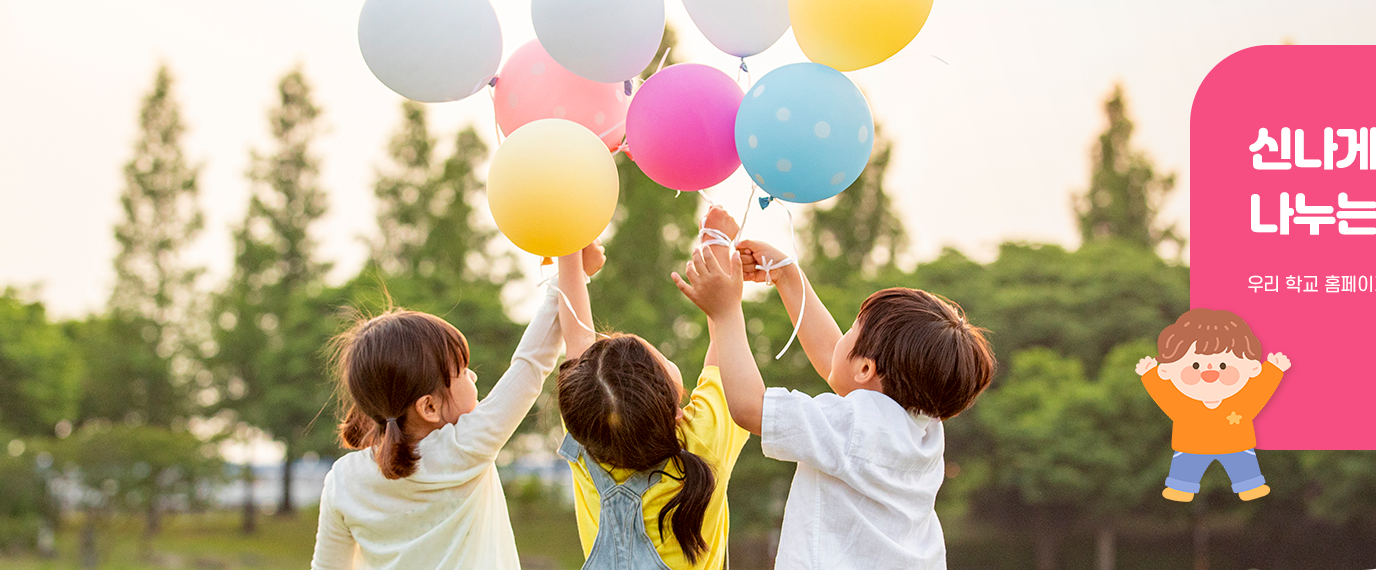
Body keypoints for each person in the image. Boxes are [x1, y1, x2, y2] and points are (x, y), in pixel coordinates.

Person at [672, 226, 995, 569]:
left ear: (867, 369)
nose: (843, 336)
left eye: (853, 328)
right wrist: (786, 275)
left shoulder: (853, 426)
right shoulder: (923, 428)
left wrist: (725, 312)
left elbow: (750, 407)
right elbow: (836, 363)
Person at [309, 247, 595, 570]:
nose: (473, 376)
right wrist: (573, 269)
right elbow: (530, 364)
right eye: (462, 371)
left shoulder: (342, 481)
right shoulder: (465, 448)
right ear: (429, 407)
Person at [549, 210, 751, 570]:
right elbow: (726, 338)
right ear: (675, 407)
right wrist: (715, 243)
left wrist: (573, 252)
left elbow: (576, 335)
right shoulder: (702, 442)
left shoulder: (588, 431)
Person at [1135, 309, 1291, 502]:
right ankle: (1181, 486)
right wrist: (1151, 375)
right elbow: (1164, 395)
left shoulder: (1241, 401)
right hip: (1193, 445)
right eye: (1195, 366)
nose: (1210, 373)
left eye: (1223, 365)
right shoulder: (1183, 404)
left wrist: (1273, 370)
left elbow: (1260, 391)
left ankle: (1248, 484)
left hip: (1233, 444)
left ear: (1251, 368)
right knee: (1186, 468)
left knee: (1242, 464)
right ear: (1168, 370)